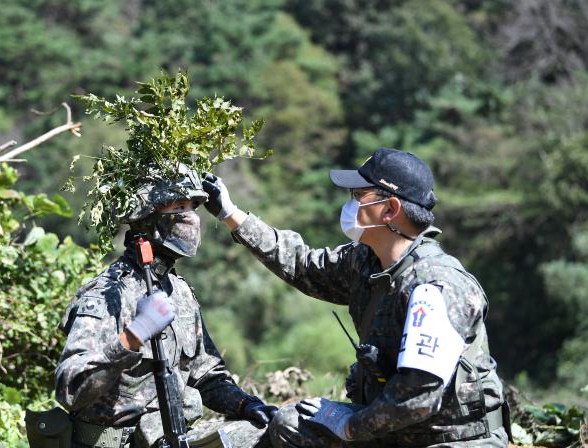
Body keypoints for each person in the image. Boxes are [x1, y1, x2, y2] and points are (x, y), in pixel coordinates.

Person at [202, 148, 511, 447]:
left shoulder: (436, 286)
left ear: (390, 210)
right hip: (390, 430)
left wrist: (351, 426)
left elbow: (417, 398)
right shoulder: (366, 261)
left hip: (451, 438)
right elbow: (302, 264)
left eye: (359, 196)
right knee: (290, 422)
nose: (350, 205)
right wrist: (230, 214)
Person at [55, 164, 277, 448]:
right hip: (112, 444)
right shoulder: (108, 293)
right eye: (179, 206)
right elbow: (70, 389)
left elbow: (207, 375)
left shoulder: (179, 291)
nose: (191, 218)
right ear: (147, 215)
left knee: (271, 433)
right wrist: (133, 335)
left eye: (193, 207)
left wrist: (246, 405)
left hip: (169, 439)